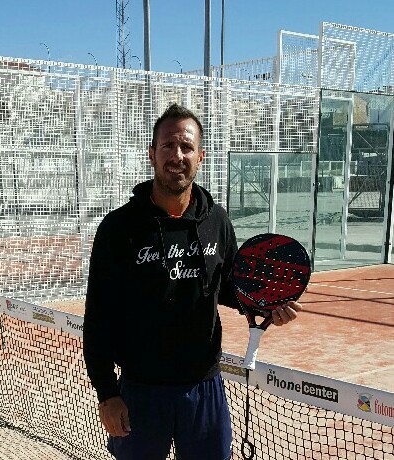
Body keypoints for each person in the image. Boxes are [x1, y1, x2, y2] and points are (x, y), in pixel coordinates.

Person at [83, 103, 302, 460]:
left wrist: (266, 306)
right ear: (152, 154)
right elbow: (98, 317)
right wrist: (107, 393)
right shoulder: (118, 228)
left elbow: (230, 287)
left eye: (186, 147)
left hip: (204, 387)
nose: (177, 155)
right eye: (167, 146)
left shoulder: (217, 220)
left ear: (200, 157)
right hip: (141, 389)